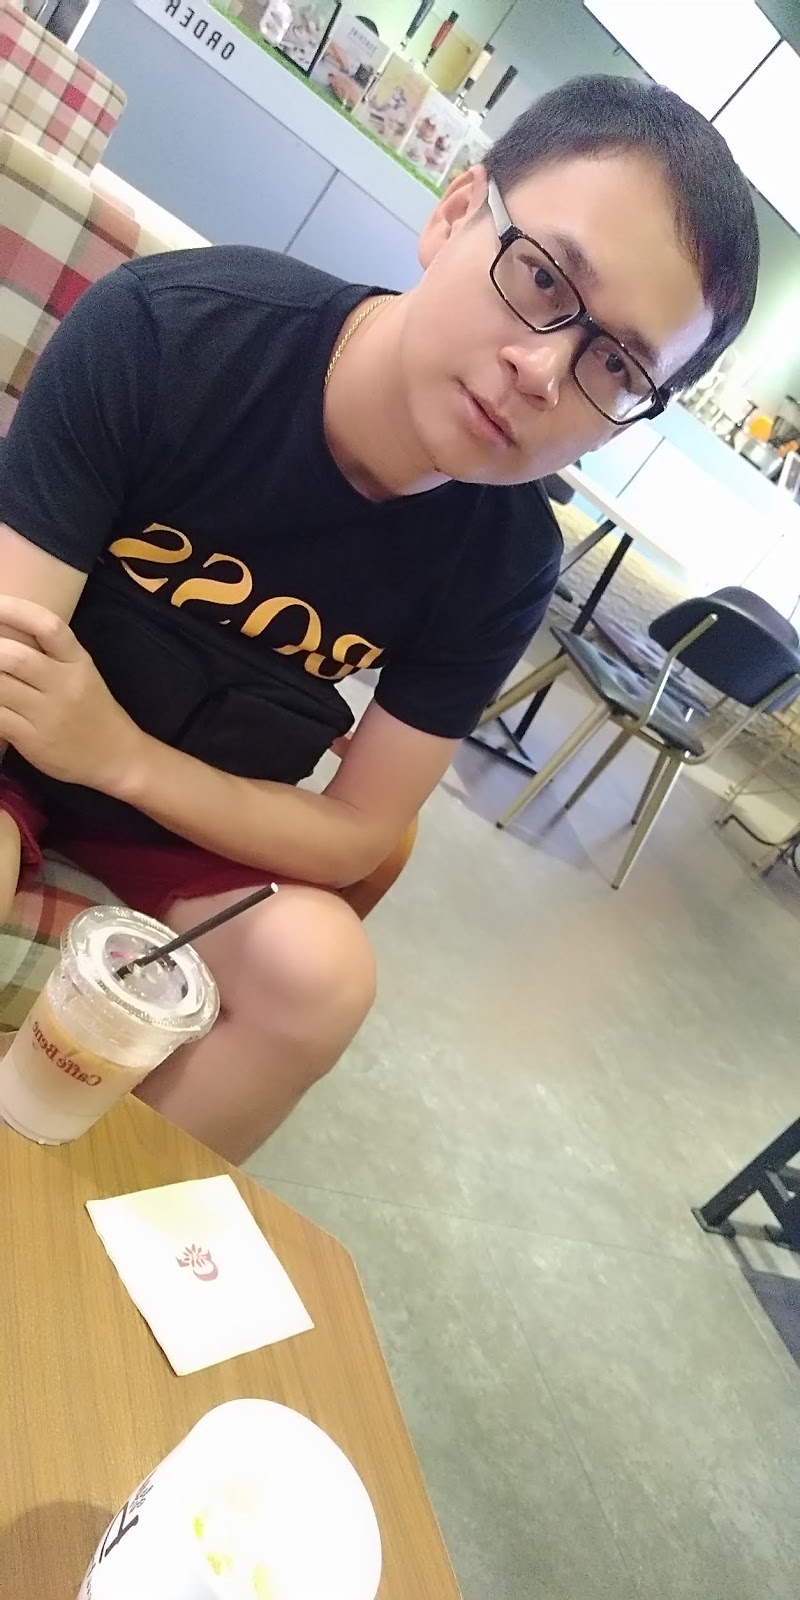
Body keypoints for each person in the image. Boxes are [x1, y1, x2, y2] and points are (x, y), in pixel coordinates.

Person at [0, 76, 758, 1162]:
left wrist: (123, 759)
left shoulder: (503, 561)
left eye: (616, 364)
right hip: (20, 744)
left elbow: (359, 828)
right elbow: (13, 657)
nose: (542, 369)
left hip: (185, 809)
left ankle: (104, 1238)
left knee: (324, 974)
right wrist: (75, 751)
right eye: (542, 277)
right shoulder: (175, 334)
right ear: (455, 214)